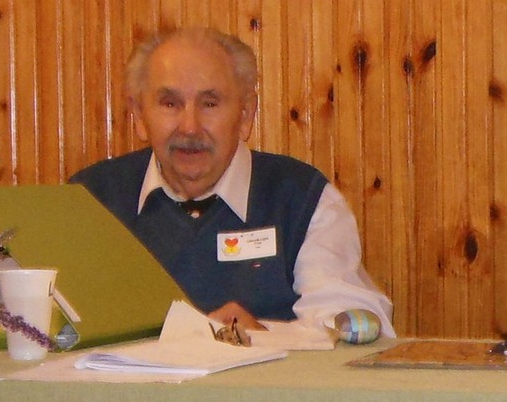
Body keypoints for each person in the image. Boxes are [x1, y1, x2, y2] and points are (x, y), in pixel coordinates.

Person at [71, 27, 394, 336]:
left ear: (246, 115)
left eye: (209, 104)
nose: (189, 126)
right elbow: (52, 327)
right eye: (170, 104)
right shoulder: (88, 200)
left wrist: (264, 337)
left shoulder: (302, 199)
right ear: (139, 115)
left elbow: (354, 327)